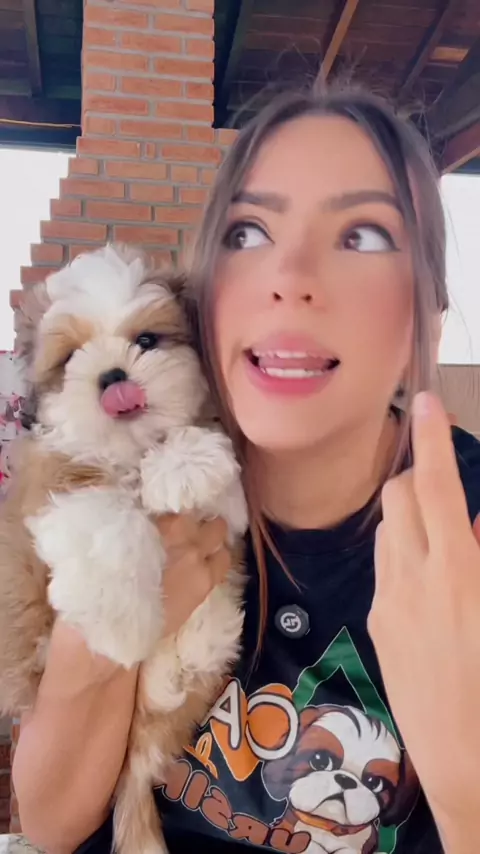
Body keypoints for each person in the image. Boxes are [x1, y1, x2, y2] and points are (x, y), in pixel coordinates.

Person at [13, 85, 480, 854]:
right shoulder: (123, 483)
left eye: (363, 235)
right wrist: (105, 627)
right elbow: (54, 824)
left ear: (426, 313)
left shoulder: (466, 529)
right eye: (249, 231)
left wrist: (466, 772)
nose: (289, 275)